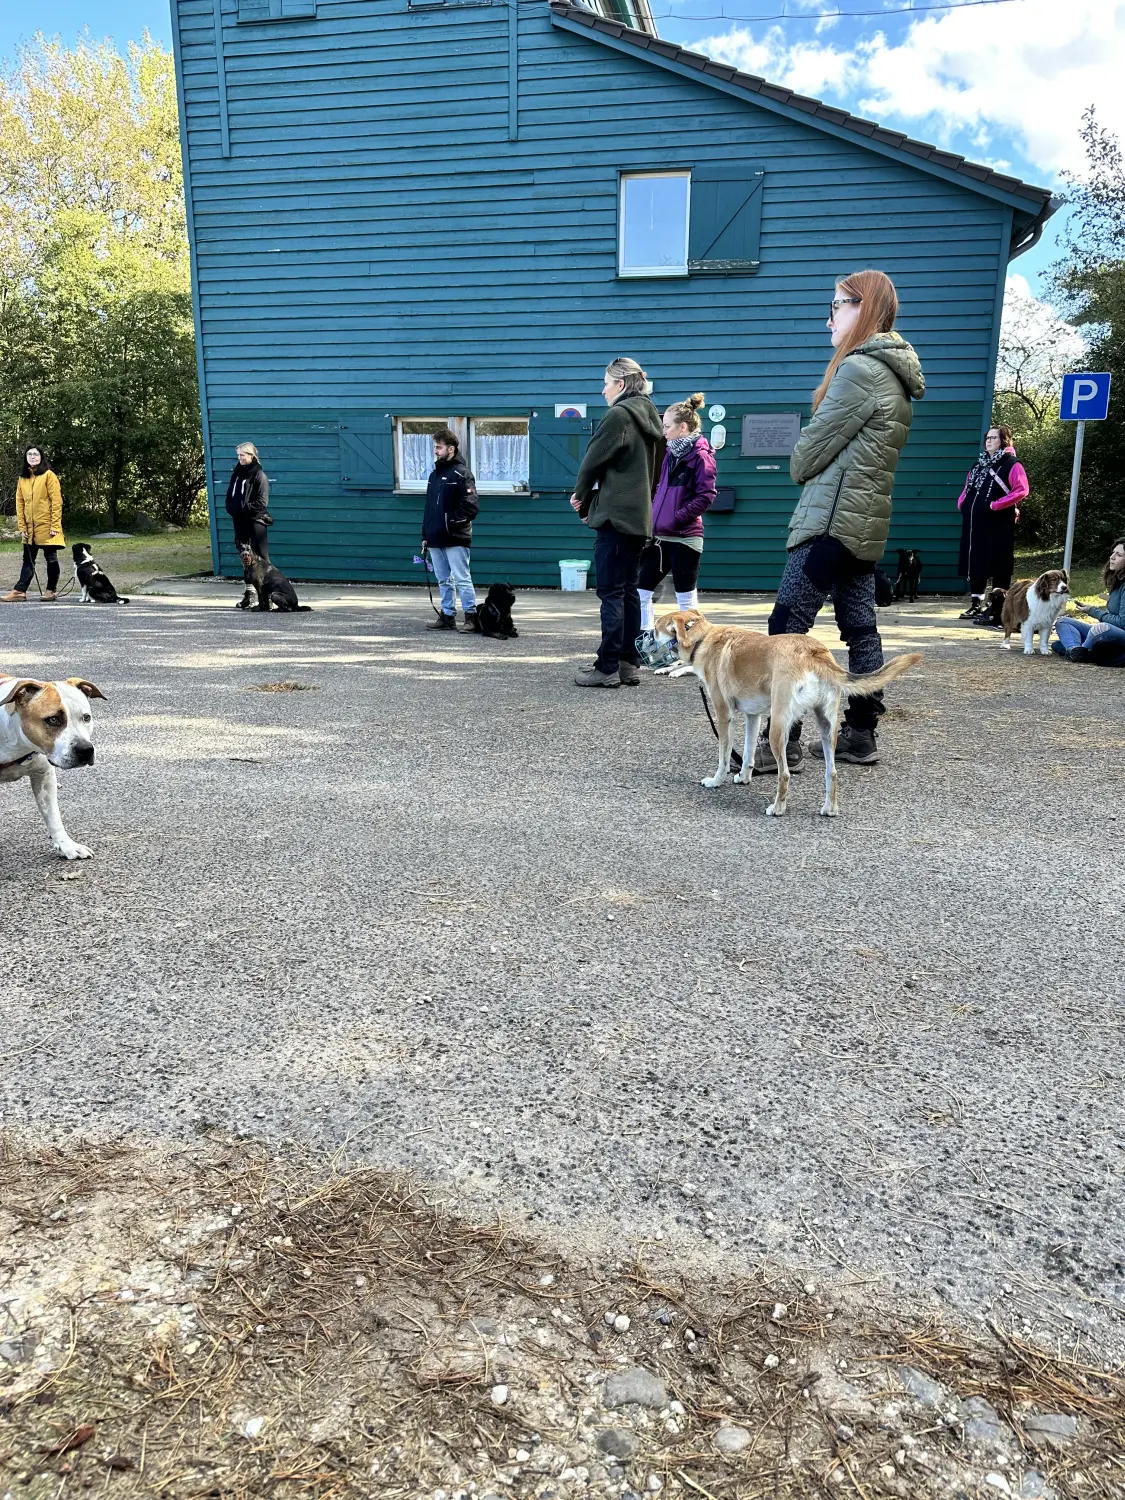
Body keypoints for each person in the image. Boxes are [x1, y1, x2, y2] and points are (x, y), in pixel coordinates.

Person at [756, 268, 925, 770]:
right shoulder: (893, 375)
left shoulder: (859, 371)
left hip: (829, 523)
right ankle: (860, 734)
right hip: (864, 525)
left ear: (862, 307)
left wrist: (807, 450)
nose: (828, 317)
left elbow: (803, 460)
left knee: (787, 628)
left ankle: (779, 741)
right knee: (860, 628)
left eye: (836, 305)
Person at [570, 357, 663, 687]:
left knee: (611, 593)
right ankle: (627, 663)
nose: (603, 388)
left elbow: (591, 460)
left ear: (620, 384)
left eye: (606, 382)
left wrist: (580, 496)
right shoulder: (652, 417)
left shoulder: (619, 415)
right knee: (628, 593)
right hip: (639, 518)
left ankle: (607, 667)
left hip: (615, 517)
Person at [638, 392, 717, 634]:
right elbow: (661, 490)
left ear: (683, 427)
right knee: (641, 591)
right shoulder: (671, 454)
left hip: (685, 539)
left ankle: (694, 646)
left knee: (686, 599)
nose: (664, 430)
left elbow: (706, 496)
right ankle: (644, 639)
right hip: (661, 539)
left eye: (667, 426)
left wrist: (677, 518)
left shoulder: (702, 457)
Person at [956, 425, 1028, 619]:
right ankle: (976, 603)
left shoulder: (1011, 463)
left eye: (994, 438)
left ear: (1004, 441)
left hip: (998, 523)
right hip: (975, 523)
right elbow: (968, 487)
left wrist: (996, 505)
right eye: (987, 437)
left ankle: (998, 607)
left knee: (999, 562)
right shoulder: (978, 465)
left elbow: (1021, 489)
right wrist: (962, 503)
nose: (989, 441)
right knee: (976, 561)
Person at [421, 426, 480, 632]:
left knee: (462, 578)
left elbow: (471, 507)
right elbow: (429, 509)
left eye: (439, 447)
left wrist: (451, 524)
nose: (436, 451)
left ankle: (471, 617)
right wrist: (425, 535)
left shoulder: (462, 474)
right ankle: (447, 615)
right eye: (435, 447)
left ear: (451, 449)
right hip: (435, 538)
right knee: (443, 579)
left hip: (455, 538)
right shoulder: (434, 476)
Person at [3, 447, 65, 603]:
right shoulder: (22, 478)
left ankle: (51, 590)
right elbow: (20, 503)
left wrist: (55, 526)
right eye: (29, 454)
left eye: (35, 454)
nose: (32, 456)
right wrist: (22, 527)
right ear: (25, 457)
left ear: (41, 457)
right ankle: (20, 591)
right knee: (28, 560)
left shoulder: (49, 475)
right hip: (29, 528)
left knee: (51, 558)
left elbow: (56, 502)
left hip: (47, 525)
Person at [1051, 537, 1125, 667]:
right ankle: (1075, 650)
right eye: (1113, 553)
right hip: (1108, 633)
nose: (1112, 557)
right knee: (1063, 622)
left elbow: (1122, 623)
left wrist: (1093, 611)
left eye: (1118, 555)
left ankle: (1080, 651)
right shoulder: (1117, 581)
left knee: (1100, 628)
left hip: (1119, 633)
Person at [225, 443, 271, 564]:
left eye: (242, 455)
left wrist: (242, 508)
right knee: (244, 554)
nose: (239, 458)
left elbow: (262, 502)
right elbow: (230, 494)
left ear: (251, 455)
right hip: (239, 520)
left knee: (261, 555)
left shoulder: (260, 475)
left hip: (256, 520)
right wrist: (230, 507)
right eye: (238, 455)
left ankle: (269, 582)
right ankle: (249, 582)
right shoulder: (236, 474)